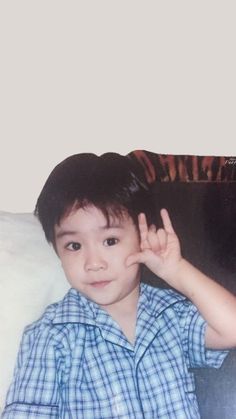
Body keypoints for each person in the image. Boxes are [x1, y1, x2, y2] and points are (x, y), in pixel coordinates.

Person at [2, 152, 236, 419]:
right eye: (74, 246)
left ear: (143, 234)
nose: (93, 263)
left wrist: (177, 270)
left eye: (110, 241)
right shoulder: (51, 336)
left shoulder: (170, 314)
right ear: (57, 250)